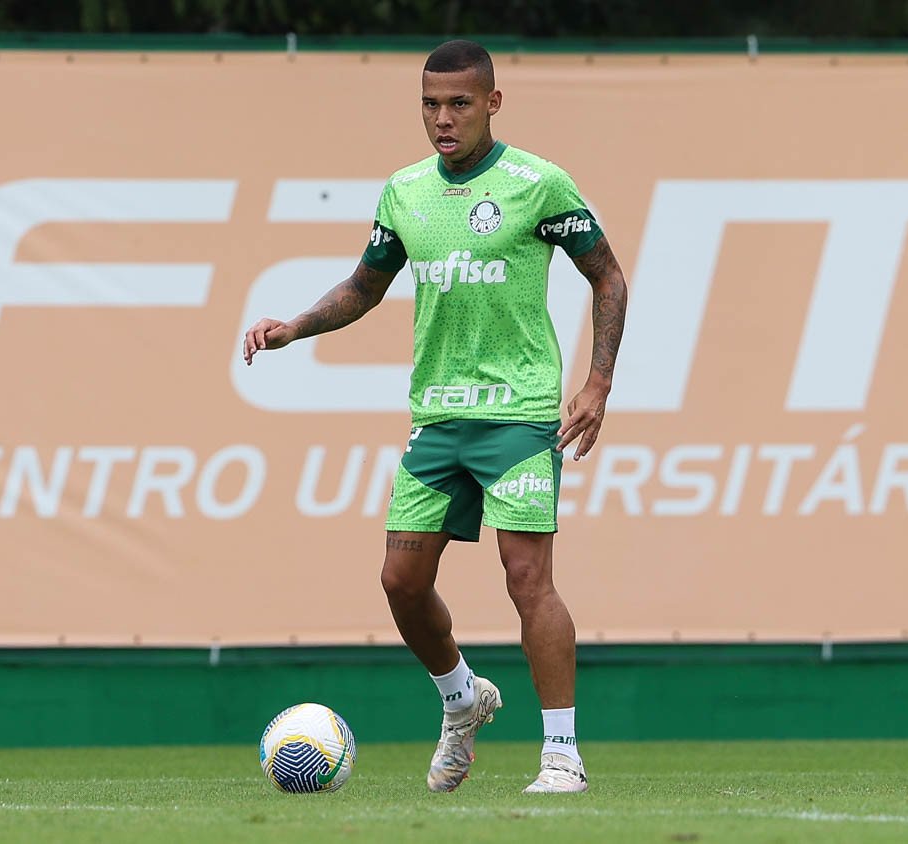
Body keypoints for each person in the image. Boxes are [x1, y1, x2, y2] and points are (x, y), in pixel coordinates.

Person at [243, 38, 627, 794]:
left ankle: (561, 755)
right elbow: (364, 287)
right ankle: (461, 699)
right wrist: (295, 327)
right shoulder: (405, 191)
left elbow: (607, 276)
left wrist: (598, 382)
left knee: (527, 579)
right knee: (401, 581)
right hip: (438, 416)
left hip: (519, 413)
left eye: (459, 103)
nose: (443, 118)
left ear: (492, 103)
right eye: (430, 104)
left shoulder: (537, 184)